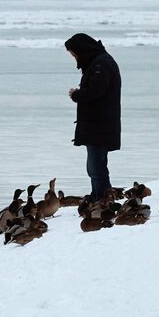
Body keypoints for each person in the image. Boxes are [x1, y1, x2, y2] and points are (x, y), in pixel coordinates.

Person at [64, 33, 121, 200]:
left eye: (74, 54)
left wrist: (76, 94)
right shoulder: (99, 61)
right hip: (98, 124)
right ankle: (99, 195)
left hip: (100, 125)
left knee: (96, 166)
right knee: (95, 166)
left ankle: (102, 199)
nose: (75, 58)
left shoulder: (101, 64)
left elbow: (95, 92)